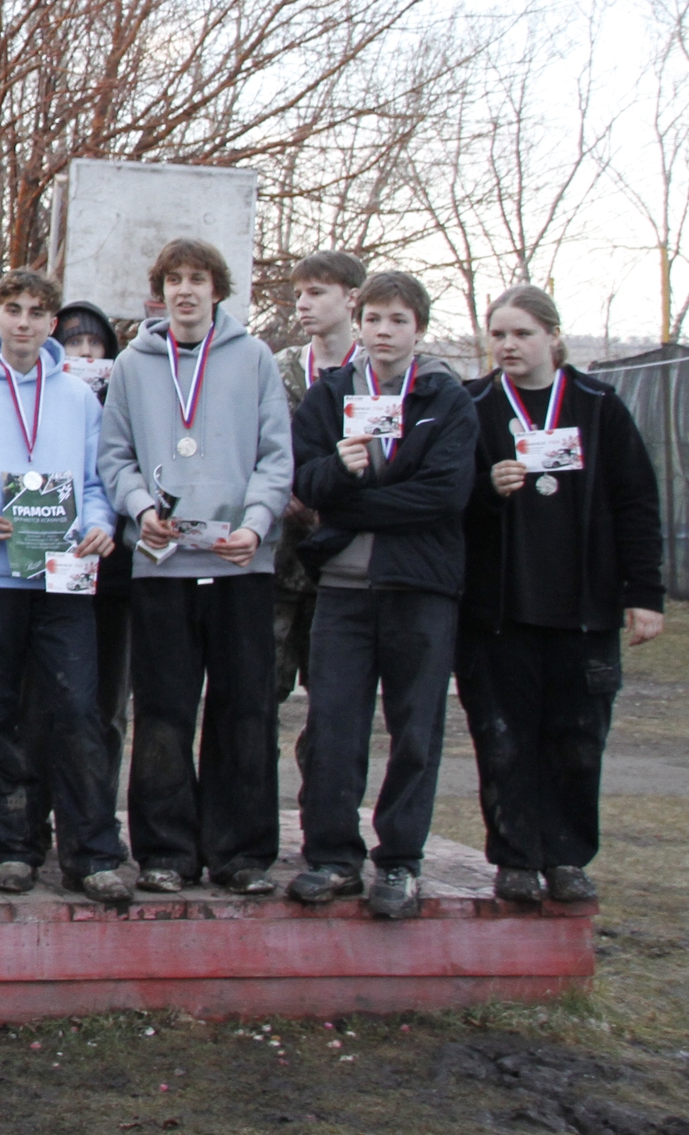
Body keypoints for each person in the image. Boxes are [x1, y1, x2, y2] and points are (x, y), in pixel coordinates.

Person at [459, 285, 666, 905]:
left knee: (577, 739)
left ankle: (568, 857)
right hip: (498, 612)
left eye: (522, 333)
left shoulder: (599, 406)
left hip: (583, 610)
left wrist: (644, 593)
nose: (508, 345)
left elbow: (636, 502)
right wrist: (485, 488)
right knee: (503, 738)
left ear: (553, 336)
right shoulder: (474, 405)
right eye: (498, 334)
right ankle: (516, 858)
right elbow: (445, 497)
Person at [98, 237, 292, 896]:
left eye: (198, 278)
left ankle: (242, 853)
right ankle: (166, 851)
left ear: (218, 290)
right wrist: (139, 507)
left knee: (245, 710)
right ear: (159, 293)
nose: (185, 290)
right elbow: (115, 456)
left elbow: (276, 456)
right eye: (173, 279)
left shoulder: (254, 358)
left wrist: (255, 524)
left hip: (241, 562)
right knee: (163, 712)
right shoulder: (132, 364)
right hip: (163, 564)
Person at [284, 271, 477, 919]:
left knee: (415, 729)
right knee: (332, 726)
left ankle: (399, 859)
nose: (384, 331)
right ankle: (331, 856)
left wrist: (352, 506)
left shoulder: (445, 397)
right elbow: (305, 480)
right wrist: (340, 470)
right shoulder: (331, 393)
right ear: (358, 322)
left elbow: (443, 495)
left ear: (419, 327)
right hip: (342, 590)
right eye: (374, 318)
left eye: (399, 320)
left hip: (420, 587)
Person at [0, 269, 129, 903]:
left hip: (63, 572)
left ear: (52, 323)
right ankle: (13, 847)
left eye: (36, 312)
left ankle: (92, 852)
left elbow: (97, 483)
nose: (24, 321)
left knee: (76, 709)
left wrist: (100, 525)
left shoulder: (78, 397)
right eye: (13, 309)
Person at [274, 251, 366, 710]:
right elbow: (254, 443)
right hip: (279, 555)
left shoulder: (375, 373)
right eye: (298, 295)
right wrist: (280, 491)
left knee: (333, 701)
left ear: (352, 298)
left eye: (316, 292)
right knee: (260, 691)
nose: (303, 304)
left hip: (345, 557)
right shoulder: (278, 367)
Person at [54, 299, 131, 781]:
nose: (84, 353)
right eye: (73, 343)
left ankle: (99, 801)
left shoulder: (127, 401)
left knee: (108, 695)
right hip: (52, 564)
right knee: (54, 694)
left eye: (94, 344)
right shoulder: (46, 400)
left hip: (114, 569)